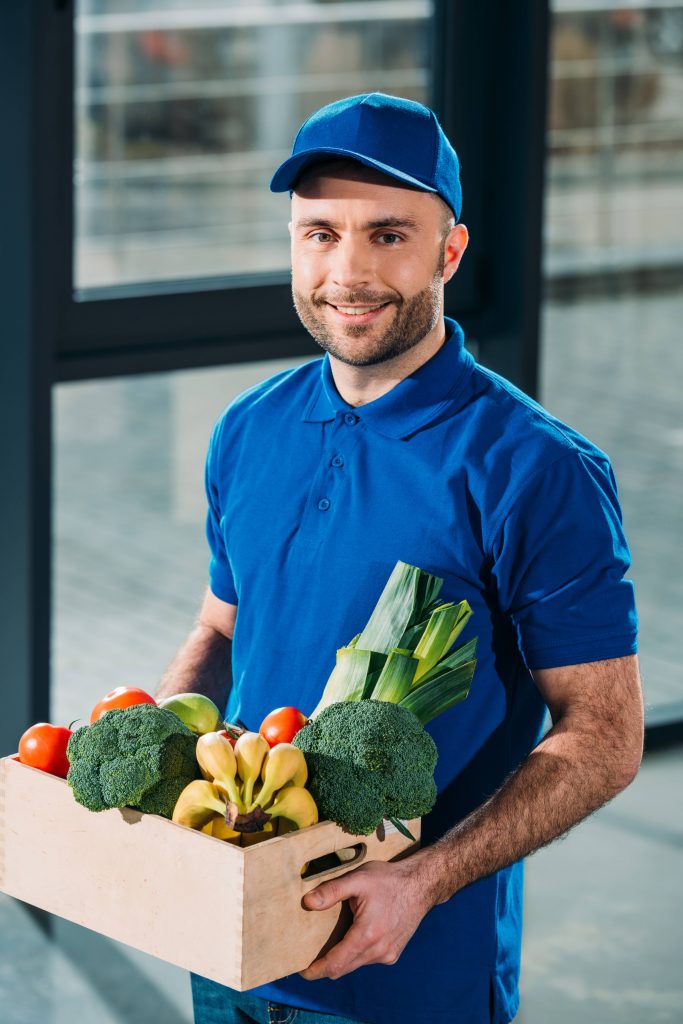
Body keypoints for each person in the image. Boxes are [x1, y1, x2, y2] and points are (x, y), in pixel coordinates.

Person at [155, 94, 643, 1024]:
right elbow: (221, 626)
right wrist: (158, 759)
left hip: (412, 968)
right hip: (228, 948)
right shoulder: (247, 428)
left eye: (387, 235)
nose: (347, 271)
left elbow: (606, 738)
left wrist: (419, 883)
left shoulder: (536, 468)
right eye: (319, 234)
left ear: (448, 251)